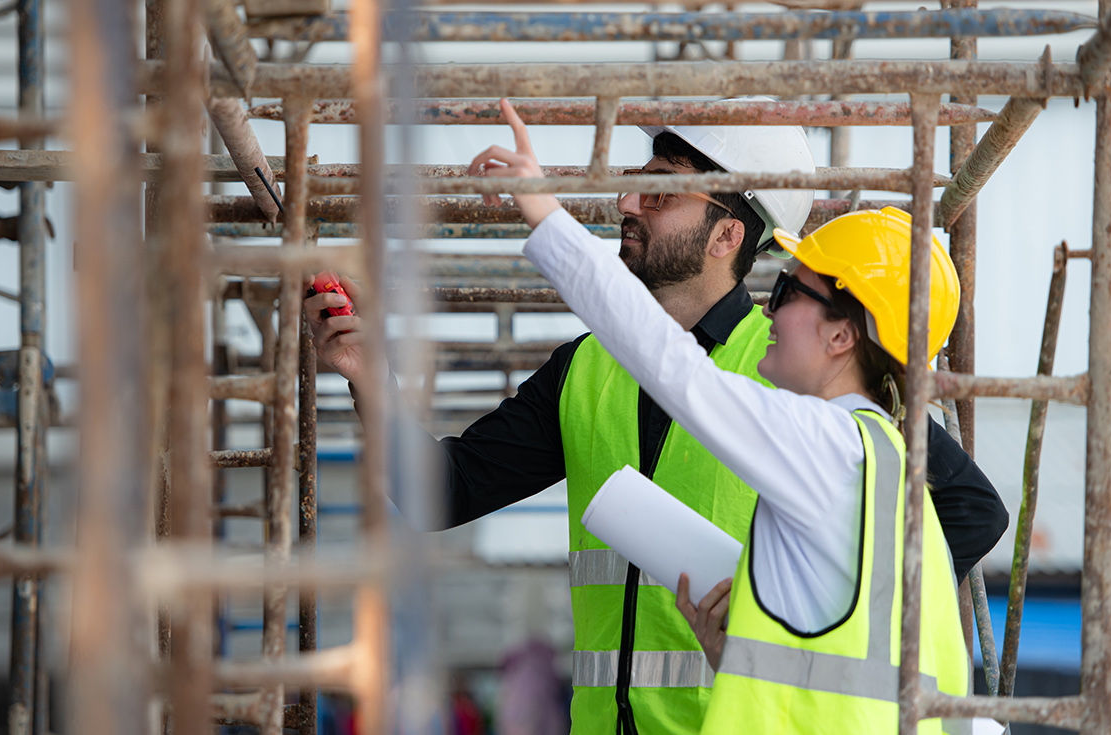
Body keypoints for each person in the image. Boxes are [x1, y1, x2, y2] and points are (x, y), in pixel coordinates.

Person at [306, 99, 1006, 735]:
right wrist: (371, 377)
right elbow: (441, 490)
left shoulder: (796, 384)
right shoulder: (586, 371)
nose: (628, 200)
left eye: (662, 188)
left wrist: (812, 607)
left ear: (727, 234)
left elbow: (971, 510)